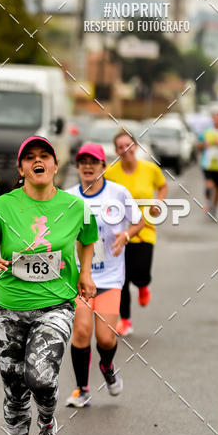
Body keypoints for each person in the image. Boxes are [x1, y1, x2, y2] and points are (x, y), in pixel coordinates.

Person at [0, 137, 99, 435]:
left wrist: (85, 273)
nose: (37, 161)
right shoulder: (1, 208)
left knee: (40, 377)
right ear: (21, 168)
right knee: (14, 391)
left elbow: (88, 239)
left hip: (56, 305)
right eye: (30, 158)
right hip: (8, 310)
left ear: (55, 165)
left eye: (44, 156)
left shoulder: (76, 207)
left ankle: (48, 422)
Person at [64, 143, 144, 407]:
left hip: (110, 278)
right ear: (78, 166)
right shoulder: (68, 197)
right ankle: (81, 389)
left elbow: (139, 220)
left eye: (93, 162)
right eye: (83, 162)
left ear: (103, 166)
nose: (88, 166)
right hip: (79, 278)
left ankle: (107, 368)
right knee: (81, 332)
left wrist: (126, 235)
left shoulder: (118, 193)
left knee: (106, 338)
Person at [104, 130, 167, 337]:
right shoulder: (110, 173)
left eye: (128, 145)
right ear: (116, 151)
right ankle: (126, 321)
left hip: (145, 230)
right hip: (119, 233)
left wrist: (158, 203)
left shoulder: (150, 169)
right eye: (120, 147)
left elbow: (163, 186)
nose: (125, 150)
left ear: (136, 146)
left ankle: (143, 286)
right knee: (122, 279)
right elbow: (102, 193)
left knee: (141, 273)